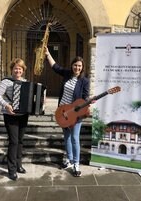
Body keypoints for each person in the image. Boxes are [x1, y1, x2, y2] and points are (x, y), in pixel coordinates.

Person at [44, 47, 90, 177]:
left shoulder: (84, 81)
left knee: (75, 138)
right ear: (72, 66)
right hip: (63, 112)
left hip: (75, 114)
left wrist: (88, 102)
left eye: (79, 66)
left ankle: (76, 164)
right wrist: (48, 54)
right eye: (75, 65)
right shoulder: (67, 74)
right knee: (67, 138)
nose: (77, 68)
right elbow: (55, 67)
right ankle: (69, 160)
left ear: (82, 67)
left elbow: (85, 97)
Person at [0, 58, 29, 181]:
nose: (17, 70)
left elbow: (31, 98)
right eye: (15, 68)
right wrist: (6, 105)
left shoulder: (26, 82)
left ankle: (19, 165)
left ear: (23, 70)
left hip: (23, 115)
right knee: (14, 142)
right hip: (10, 115)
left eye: (20, 68)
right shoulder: (6, 82)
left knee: (20, 141)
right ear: (12, 69)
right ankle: (12, 169)